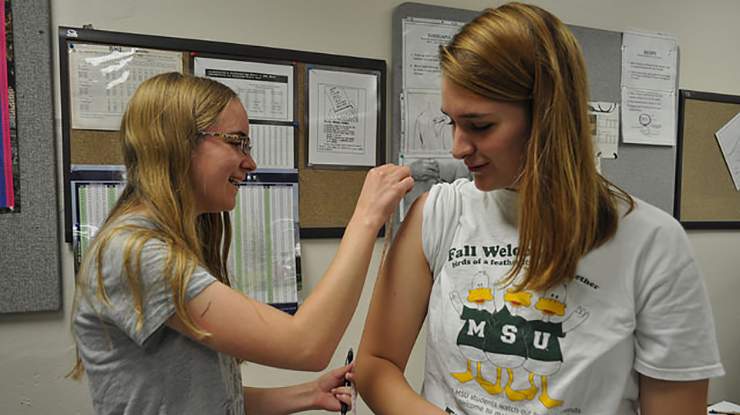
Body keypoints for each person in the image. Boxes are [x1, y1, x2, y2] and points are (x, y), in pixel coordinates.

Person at [355, 3, 724, 414]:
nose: (457, 148)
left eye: (480, 126)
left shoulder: (653, 243)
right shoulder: (439, 213)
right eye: (451, 122)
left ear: (548, 118)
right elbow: (376, 365)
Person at [69, 72, 413, 414]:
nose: (250, 163)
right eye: (236, 142)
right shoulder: (137, 252)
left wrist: (308, 394)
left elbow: (201, 401)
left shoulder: (162, 245)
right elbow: (308, 345)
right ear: (177, 142)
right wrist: (367, 217)